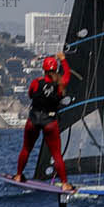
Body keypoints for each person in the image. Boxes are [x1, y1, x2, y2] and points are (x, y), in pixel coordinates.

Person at [14, 54, 71, 187]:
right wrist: (63, 59)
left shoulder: (36, 82)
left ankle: (18, 175)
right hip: (50, 121)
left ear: (43, 69)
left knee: (26, 148)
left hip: (33, 119)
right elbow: (67, 73)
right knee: (56, 154)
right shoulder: (61, 83)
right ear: (56, 69)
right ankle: (64, 183)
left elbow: (30, 94)